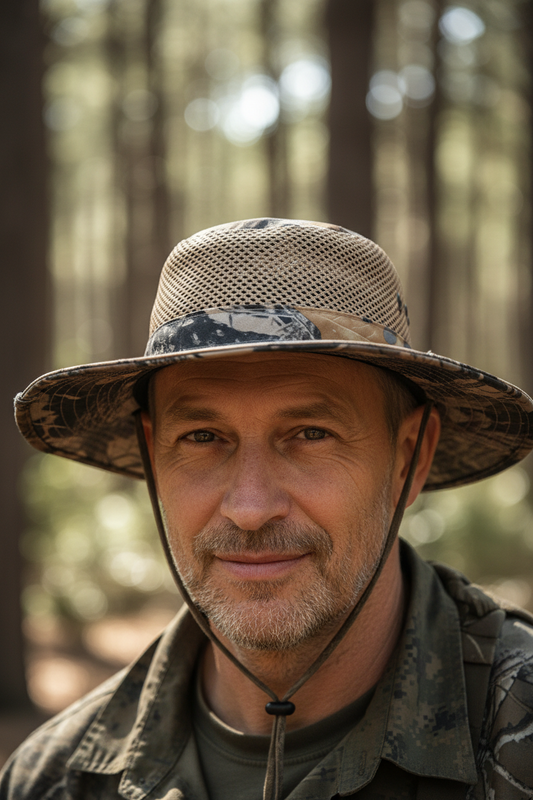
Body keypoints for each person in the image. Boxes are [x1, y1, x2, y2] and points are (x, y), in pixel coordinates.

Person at [2, 218, 533, 800]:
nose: (250, 509)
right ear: (154, 461)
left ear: (409, 458)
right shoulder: (53, 782)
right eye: (203, 437)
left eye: (310, 433)